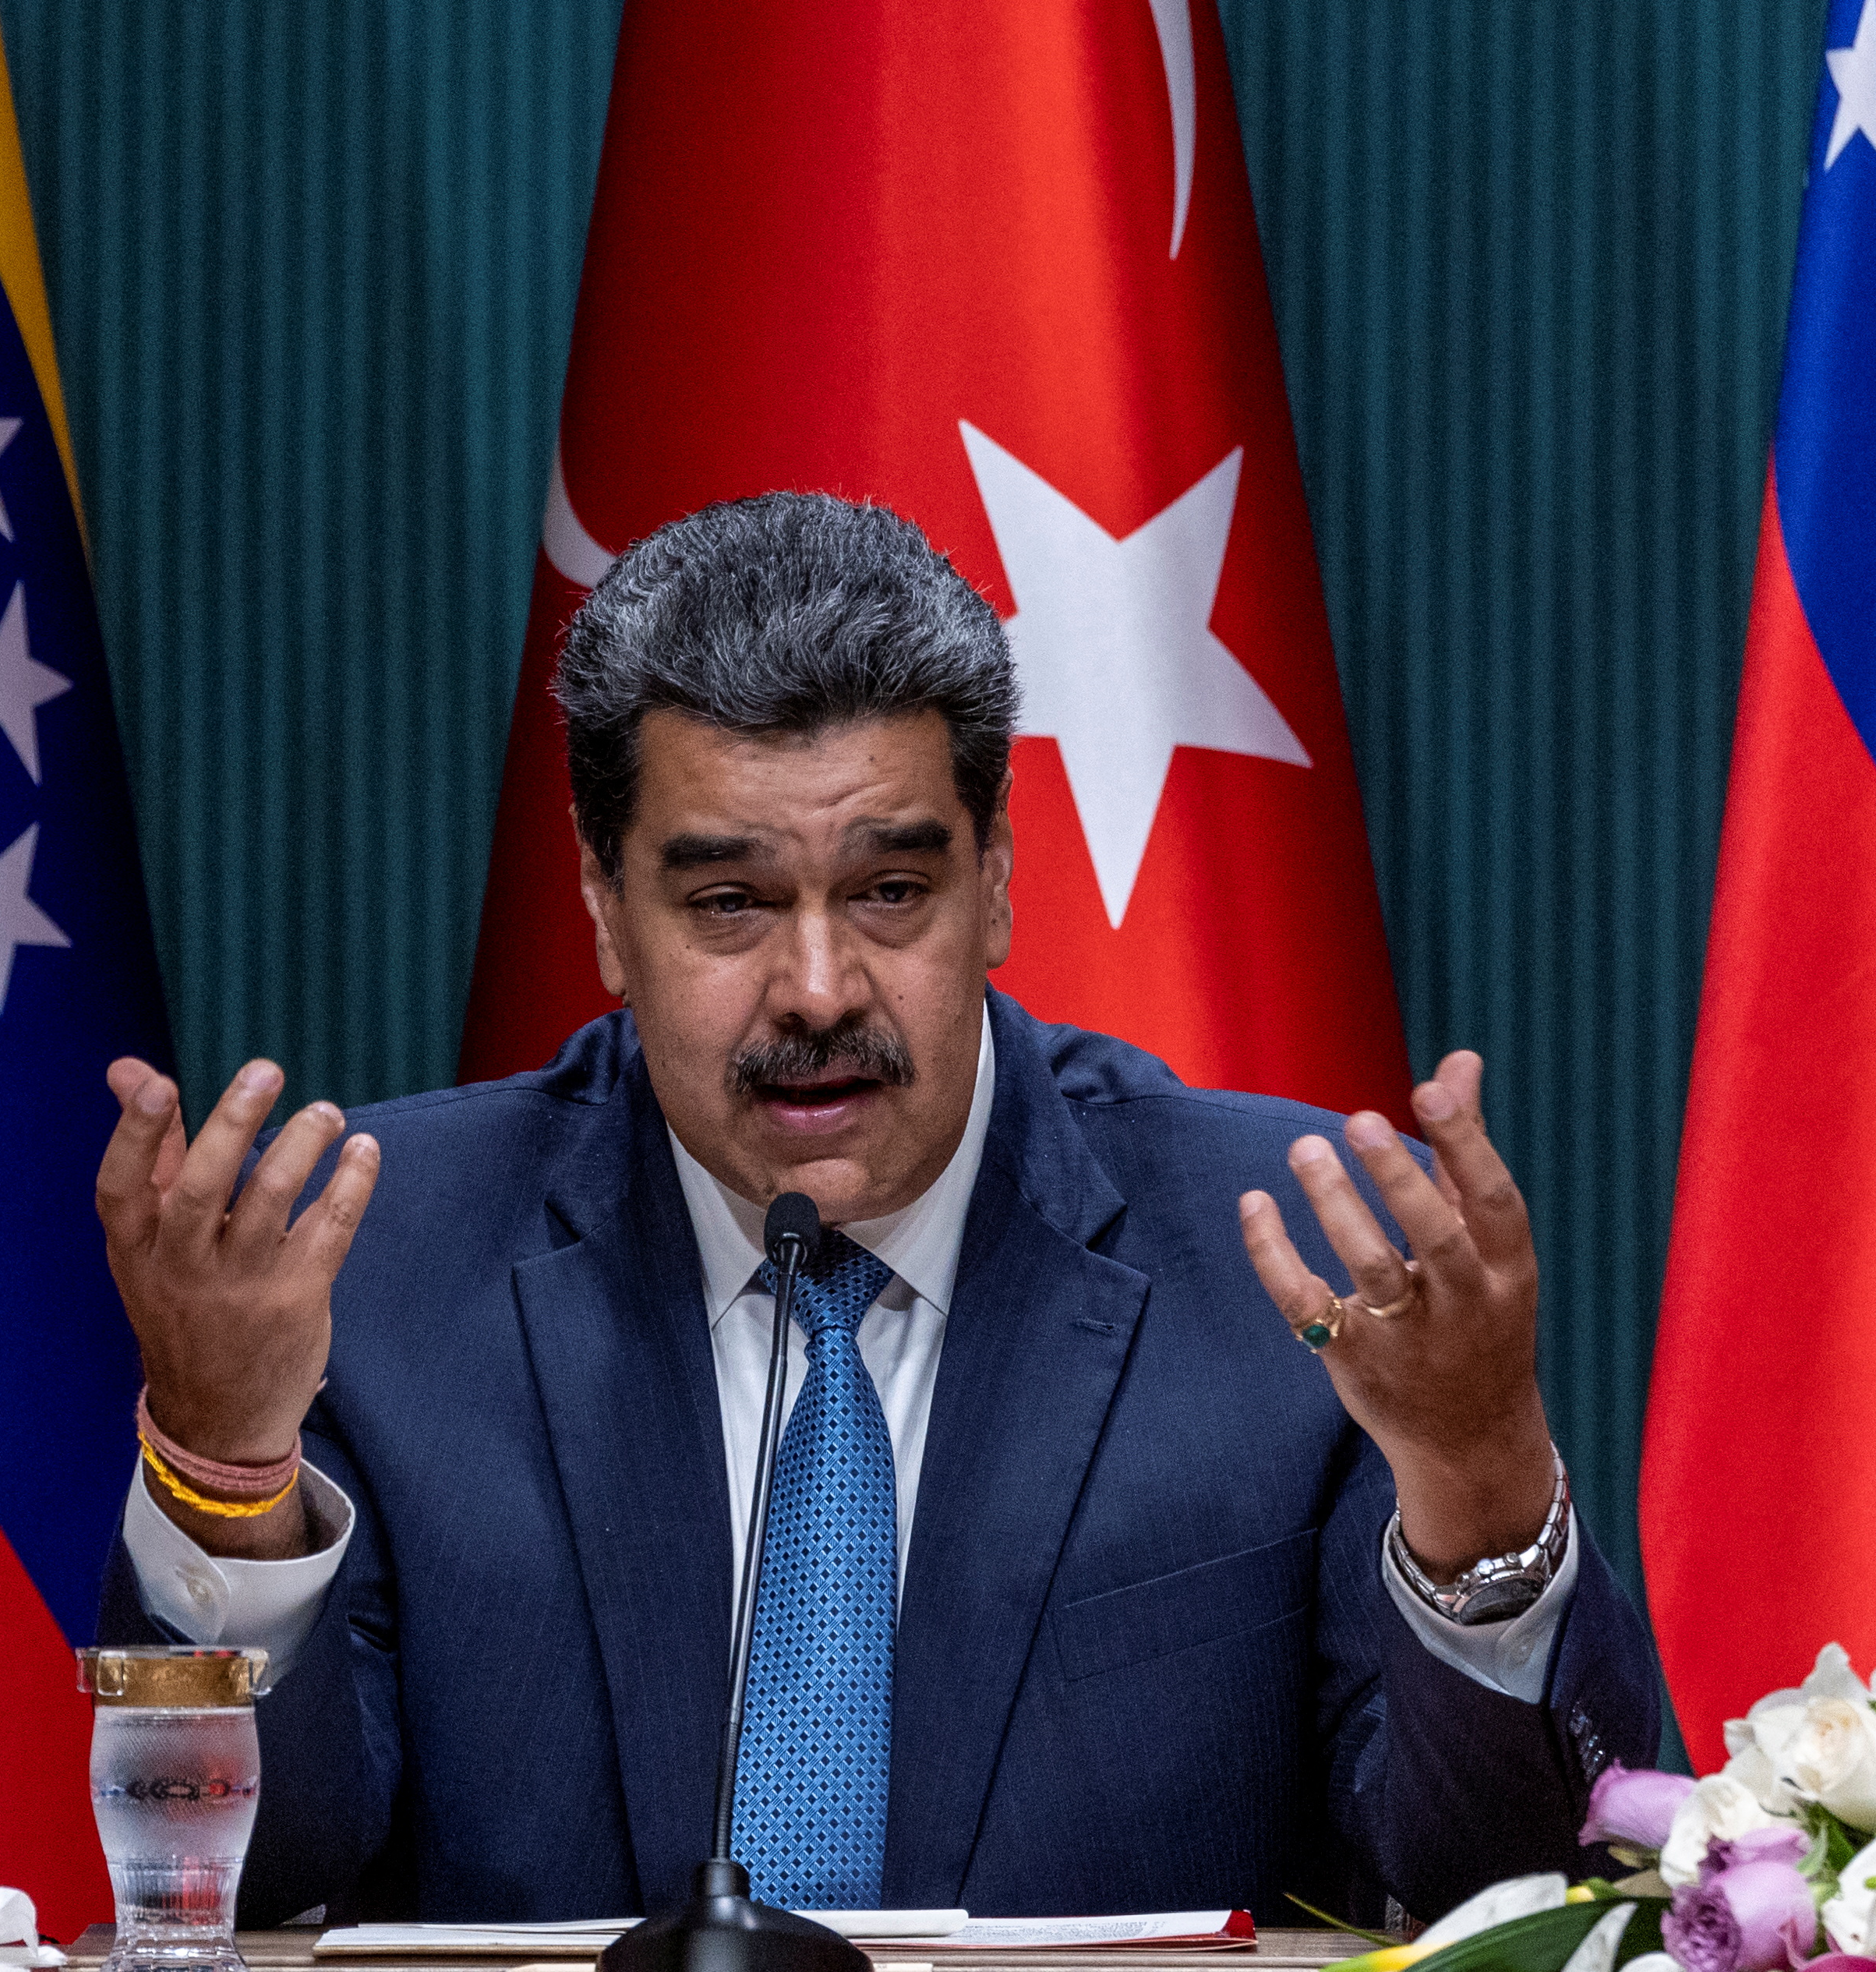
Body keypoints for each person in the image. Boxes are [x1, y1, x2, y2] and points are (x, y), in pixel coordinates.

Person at [92, 493, 1661, 1928]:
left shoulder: (1283, 1261)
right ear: (604, 912)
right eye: (728, 902)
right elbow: (257, 1886)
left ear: (996, 882)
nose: (819, 988)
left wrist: (1479, 1480)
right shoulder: (373, 1265)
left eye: (891, 891)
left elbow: (1512, 1890)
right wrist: (227, 1468)